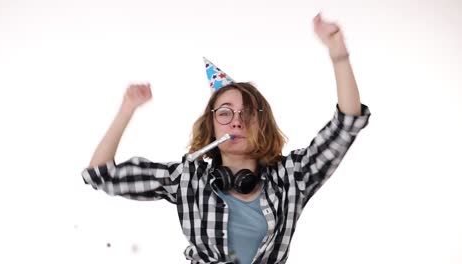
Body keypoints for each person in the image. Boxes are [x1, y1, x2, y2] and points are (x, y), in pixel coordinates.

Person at [81, 13, 371, 264]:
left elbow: (346, 125)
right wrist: (127, 108)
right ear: (212, 126)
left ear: (262, 124)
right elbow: (100, 175)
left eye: (247, 113)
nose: (236, 120)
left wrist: (338, 54)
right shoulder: (186, 178)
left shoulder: (292, 176)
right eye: (225, 113)